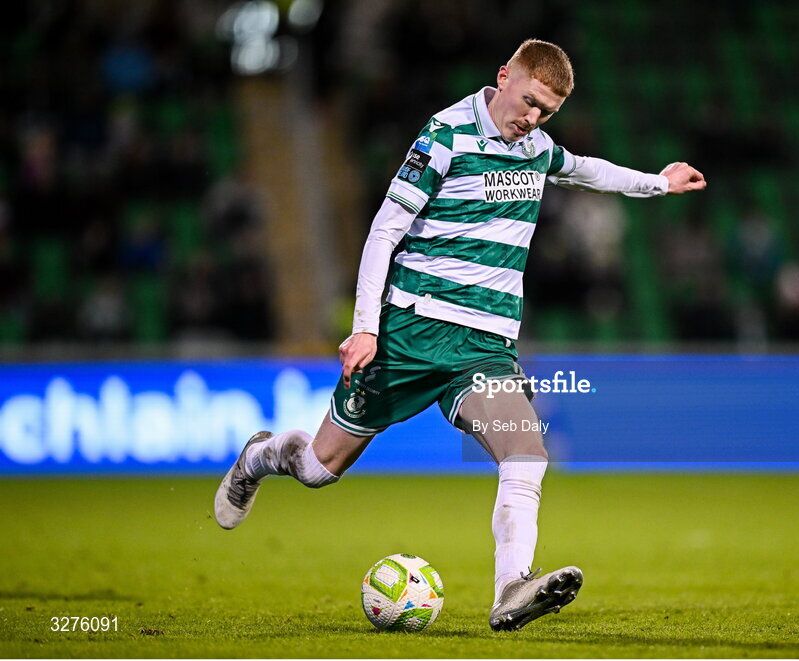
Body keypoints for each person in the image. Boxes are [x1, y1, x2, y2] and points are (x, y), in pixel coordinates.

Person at [214, 39, 706, 631]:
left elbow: (584, 170)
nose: (533, 118)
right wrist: (365, 328)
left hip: (483, 344)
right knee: (320, 468)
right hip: (410, 333)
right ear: (504, 76)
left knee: (525, 452)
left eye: (547, 112)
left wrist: (657, 182)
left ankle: (510, 589)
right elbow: (383, 231)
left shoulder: (537, 149)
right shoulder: (444, 136)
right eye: (528, 102)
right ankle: (260, 457)